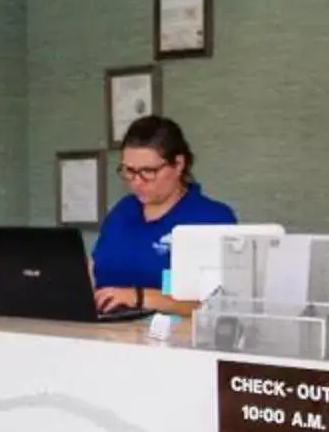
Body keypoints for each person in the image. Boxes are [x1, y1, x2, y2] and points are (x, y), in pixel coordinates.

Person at [91, 115, 236, 316]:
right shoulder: (122, 212)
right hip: (107, 335)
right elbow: (97, 271)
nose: (136, 182)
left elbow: (217, 303)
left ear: (178, 165)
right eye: (129, 171)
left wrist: (139, 297)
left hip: (173, 339)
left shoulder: (211, 219)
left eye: (148, 171)